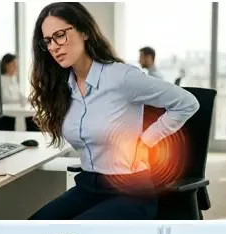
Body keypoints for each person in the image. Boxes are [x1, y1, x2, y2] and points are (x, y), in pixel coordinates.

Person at [27, 3, 199, 220]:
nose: (54, 47)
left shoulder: (121, 76)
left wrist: (147, 141)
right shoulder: (65, 86)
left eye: (60, 35)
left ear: (85, 32)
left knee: (78, 229)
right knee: (36, 223)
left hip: (132, 192)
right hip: (88, 186)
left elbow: (187, 102)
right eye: (48, 41)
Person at [0, 53, 39, 131]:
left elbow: (20, 96)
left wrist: (30, 99)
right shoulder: (0, 80)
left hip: (14, 113)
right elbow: (5, 99)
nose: (16, 67)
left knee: (32, 120)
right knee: (28, 121)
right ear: (6, 65)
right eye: (14, 64)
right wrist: (20, 101)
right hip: (3, 116)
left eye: (16, 65)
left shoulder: (13, 79)